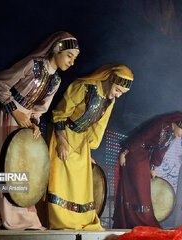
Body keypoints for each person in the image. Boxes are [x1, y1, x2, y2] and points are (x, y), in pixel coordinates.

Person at [0, 31, 80, 230]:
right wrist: (15, 112)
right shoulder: (33, 65)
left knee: (20, 166)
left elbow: (40, 109)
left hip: (24, 123)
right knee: (1, 164)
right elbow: (0, 83)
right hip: (5, 117)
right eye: (69, 56)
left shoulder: (56, 81)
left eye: (75, 59)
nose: (71, 62)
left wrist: (35, 123)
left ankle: (21, 216)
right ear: (57, 50)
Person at [48, 64, 134, 230]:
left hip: (81, 141)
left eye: (122, 93)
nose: (118, 95)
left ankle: (78, 220)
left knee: (81, 185)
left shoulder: (110, 100)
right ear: (110, 80)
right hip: (63, 133)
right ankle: (61, 220)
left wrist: (88, 150)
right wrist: (62, 141)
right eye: (118, 90)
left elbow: (98, 127)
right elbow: (59, 113)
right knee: (61, 180)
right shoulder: (83, 87)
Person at [113, 111, 182, 229]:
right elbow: (141, 137)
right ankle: (133, 221)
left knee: (143, 189)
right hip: (134, 154)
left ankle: (141, 221)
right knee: (136, 187)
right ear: (177, 124)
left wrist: (152, 168)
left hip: (144, 157)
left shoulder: (171, 135)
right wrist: (125, 152)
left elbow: (160, 152)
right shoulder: (160, 124)